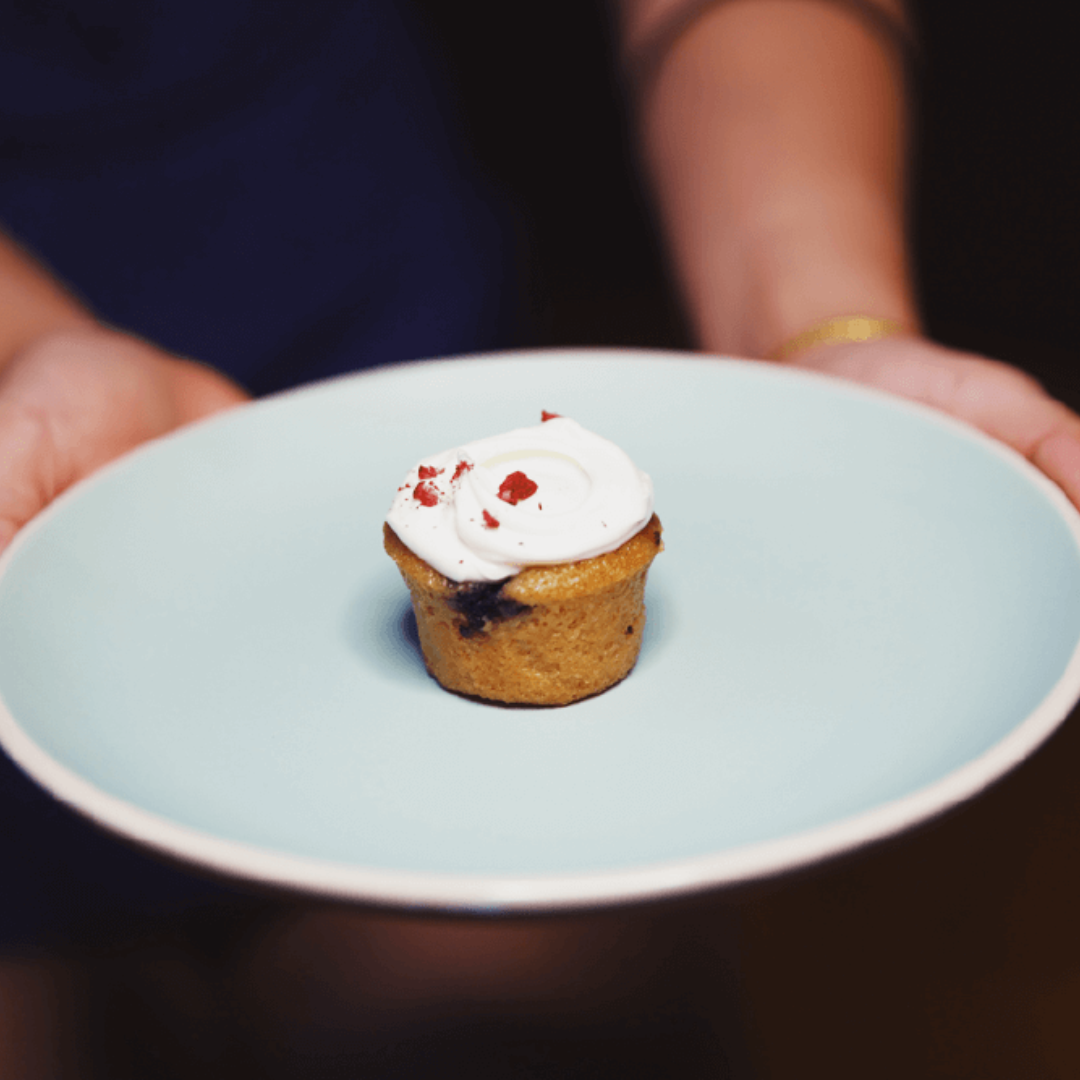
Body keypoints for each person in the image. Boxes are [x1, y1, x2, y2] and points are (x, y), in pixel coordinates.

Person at [3, 0, 1079, 1074]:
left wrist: (820, 326)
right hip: (40, 443)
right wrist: (32, 343)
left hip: (359, 268)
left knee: (545, 1018)